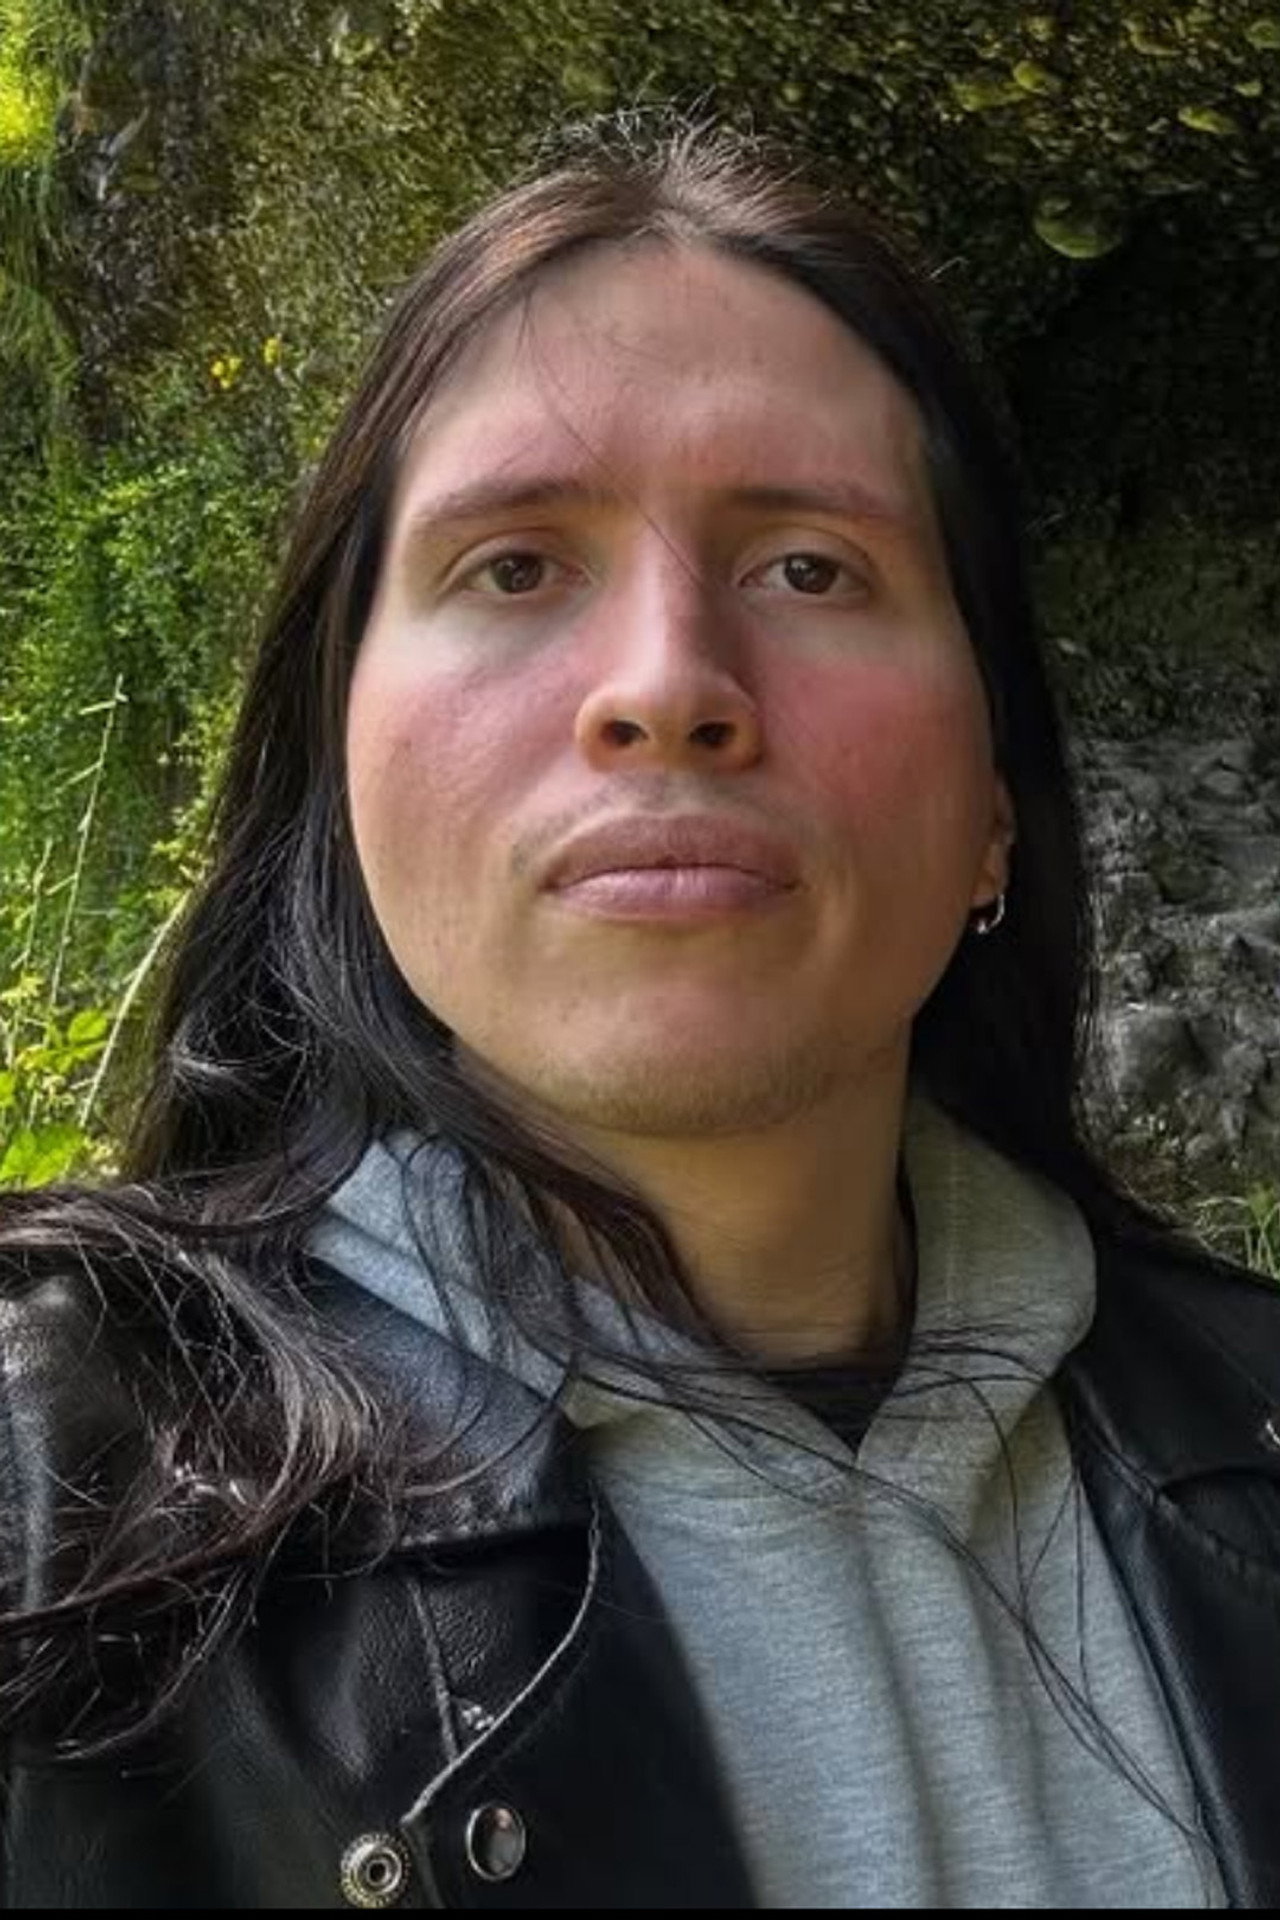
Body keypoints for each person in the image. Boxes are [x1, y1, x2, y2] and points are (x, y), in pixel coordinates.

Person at [2, 114, 1279, 1911]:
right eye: (516, 565)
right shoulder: (46, 1494)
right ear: (342, 772)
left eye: (811, 567)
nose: (669, 684)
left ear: (996, 803)